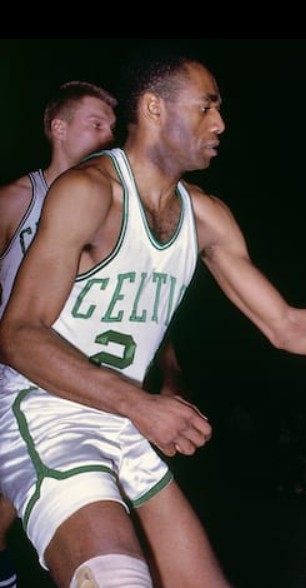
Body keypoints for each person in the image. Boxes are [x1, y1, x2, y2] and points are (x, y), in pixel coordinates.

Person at [0, 51, 306, 588]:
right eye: (206, 107)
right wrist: (138, 403)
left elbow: (286, 325)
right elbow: (18, 336)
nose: (219, 124)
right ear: (153, 108)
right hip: (46, 412)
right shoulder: (89, 193)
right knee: (114, 576)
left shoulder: (206, 215)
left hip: (121, 421)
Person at [0, 79, 119, 588]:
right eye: (96, 124)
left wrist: (171, 368)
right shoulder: (15, 201)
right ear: (58, 128)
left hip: (81, 380)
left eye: (112, 126)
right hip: (16, 375)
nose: (108, 135)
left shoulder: (114, 210)